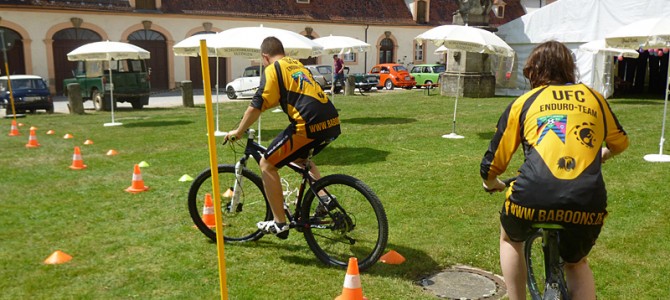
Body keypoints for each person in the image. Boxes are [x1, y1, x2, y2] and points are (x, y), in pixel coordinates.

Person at [480, 41, 629, 300]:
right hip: (587, 201)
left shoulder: (525, 102)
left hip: (532, 195)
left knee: (510, 239)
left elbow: (494, 162)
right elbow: (620, 143)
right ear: (569, 68)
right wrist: (601, 155)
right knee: (577, 263)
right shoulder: (594, 98)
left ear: (534, 71)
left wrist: (491, 182)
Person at [225, 37, 341, 239]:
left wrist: (239, 130)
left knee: (267, 164)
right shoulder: (296, 64)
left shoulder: (272, 69)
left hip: (308, 123)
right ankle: (324, 199)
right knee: (301, 160)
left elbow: (258, 104)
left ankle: (279, 222)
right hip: (331, 120)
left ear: (264, 57)